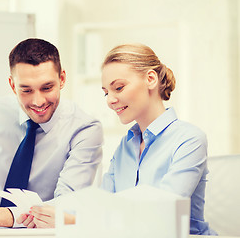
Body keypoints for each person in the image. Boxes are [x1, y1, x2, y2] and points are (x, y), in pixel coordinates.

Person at [29, 43, 217, 235]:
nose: (110, 100)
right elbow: (102, 204)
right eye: (106, 93)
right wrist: (45, 213)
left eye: (118, 88)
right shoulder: (125, 147)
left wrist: (71, 219)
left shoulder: (189, 140)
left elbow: (162, 215)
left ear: (150, 79)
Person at [0, 38, 103, 229]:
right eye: (26, 90)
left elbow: (65, 206)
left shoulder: (85, 129)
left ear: (62, 79)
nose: (38, 101)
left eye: (47, 87)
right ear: (12, 85)